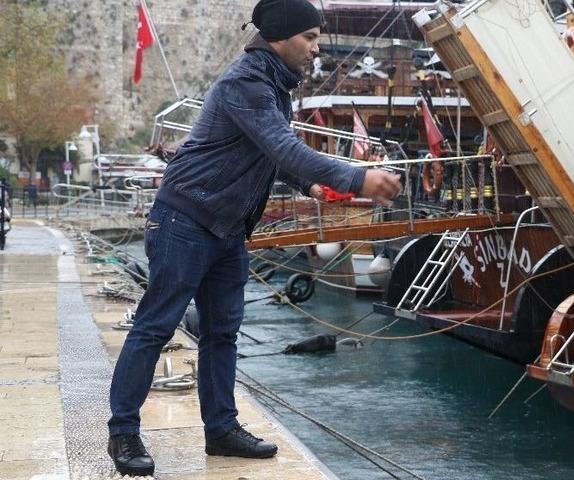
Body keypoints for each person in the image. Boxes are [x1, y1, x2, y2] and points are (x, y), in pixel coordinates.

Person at [106, 0, 401, 476]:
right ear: (280, 37)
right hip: (185, 219)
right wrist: (356, 177)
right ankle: (123, 433)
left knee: (221, 334)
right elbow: (284, 145)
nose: (316, 47)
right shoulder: (247, 80)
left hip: (226, 228)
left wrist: (309, 184)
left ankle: (220, 429)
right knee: (156, 326)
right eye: (309, 37)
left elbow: (272, 155)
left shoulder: (273, 85)